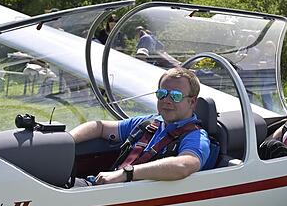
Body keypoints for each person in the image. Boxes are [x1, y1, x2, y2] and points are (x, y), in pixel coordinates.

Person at [69, 67, 214, 184]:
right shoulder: (148, 123)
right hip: (105, 187)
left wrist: (126, 174)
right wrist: (66, 140)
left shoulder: (196, 136)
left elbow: (184, 166)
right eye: (162, 93)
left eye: (175, 95)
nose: (167, 100)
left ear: (192, 102)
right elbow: (99, 127)